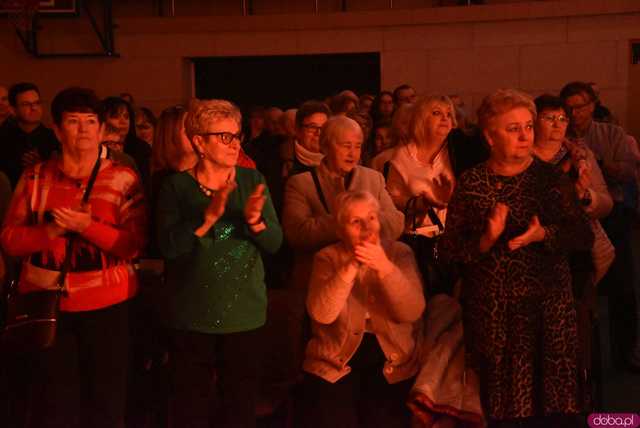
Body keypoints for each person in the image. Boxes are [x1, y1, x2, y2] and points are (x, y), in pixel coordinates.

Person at [439, 89, 594, 427]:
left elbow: (583, 235)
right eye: (513, 129)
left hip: (548, 313)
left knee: (554, 412)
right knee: (505, 413)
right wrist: (485, 240)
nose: (526, 136)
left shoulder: (549, 179)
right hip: (497, 319)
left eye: (527, 126)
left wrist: (543, 235)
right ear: (490, 137)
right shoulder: (472, 183)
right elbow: (448, 250)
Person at [0, 87, 146, 428]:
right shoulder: (36, 177)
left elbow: (134, 244)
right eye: (73, 122)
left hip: (108, 303)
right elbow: (9, 240)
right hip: (48, 304)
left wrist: (87, 226)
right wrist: (48, 232)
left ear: (101, 129)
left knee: (106, 400)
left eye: (90, 122)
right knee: (55, 404)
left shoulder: (122, 178)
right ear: (57, 128)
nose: (83, 130)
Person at [155, 98, 282, 428]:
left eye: (237, 135)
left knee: (239, 409)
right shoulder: (176, 187)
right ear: (199, 141)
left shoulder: (253, 181)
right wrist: (206, 219)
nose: (234, 143)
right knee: (191, 408)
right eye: (224, 136)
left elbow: (275, 243)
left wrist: (255, 222)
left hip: (244, 314)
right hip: (192, 316)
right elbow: (169, 248)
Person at [298, 190, 424, 428]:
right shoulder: (326, 257)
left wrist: (385, 268)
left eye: (372, 218)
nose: (367, 228)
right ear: (340, 230)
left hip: (391, 355)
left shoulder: (399, 253)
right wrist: (351, 266)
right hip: (336, 356)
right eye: (356, 222)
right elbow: (322, 314)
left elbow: (412, 311)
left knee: (384, 414)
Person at [533, 94, 613, 410]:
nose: (557, 125)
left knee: (578, 329)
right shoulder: (522, 157)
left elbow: (605, 203)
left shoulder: (580, 156)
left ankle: (583, 404)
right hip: (537, 253)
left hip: (576, 252)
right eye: (549, 118)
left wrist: (585, 196)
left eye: (562, 119)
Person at [560, 81, 639, 370]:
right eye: (568, 108)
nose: (574, 113)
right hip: (576, 217)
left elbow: (629, 172)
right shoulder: (560, 138)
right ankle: (581, 356)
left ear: (592, 105)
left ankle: (625, 352)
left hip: (611, 214)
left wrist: (597, 165)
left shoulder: (612, 133)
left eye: (580, 106)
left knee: (623, 286)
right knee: (579, 290)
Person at [283, 115, 404, 292]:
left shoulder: (373, 178)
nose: (353, 153)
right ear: (325, 146)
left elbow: (396, 222)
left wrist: (359, 226)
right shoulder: (301, 183)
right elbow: (297, 233)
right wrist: (349, 221)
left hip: (367, 285)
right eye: (346, 146)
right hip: (319, 283)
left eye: (358, 146)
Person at [0, 82, 60, 188]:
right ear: (13, 110)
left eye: (37, 103)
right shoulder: (3, 138)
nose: (34, 108)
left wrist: (42, 166)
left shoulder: (56, 137)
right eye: (26, 104)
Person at [286, 100, 331, 178]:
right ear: (298, 130)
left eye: (324, 127)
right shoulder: (283, 163)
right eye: (312, 127)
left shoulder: (335, 162)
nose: (319, 133)